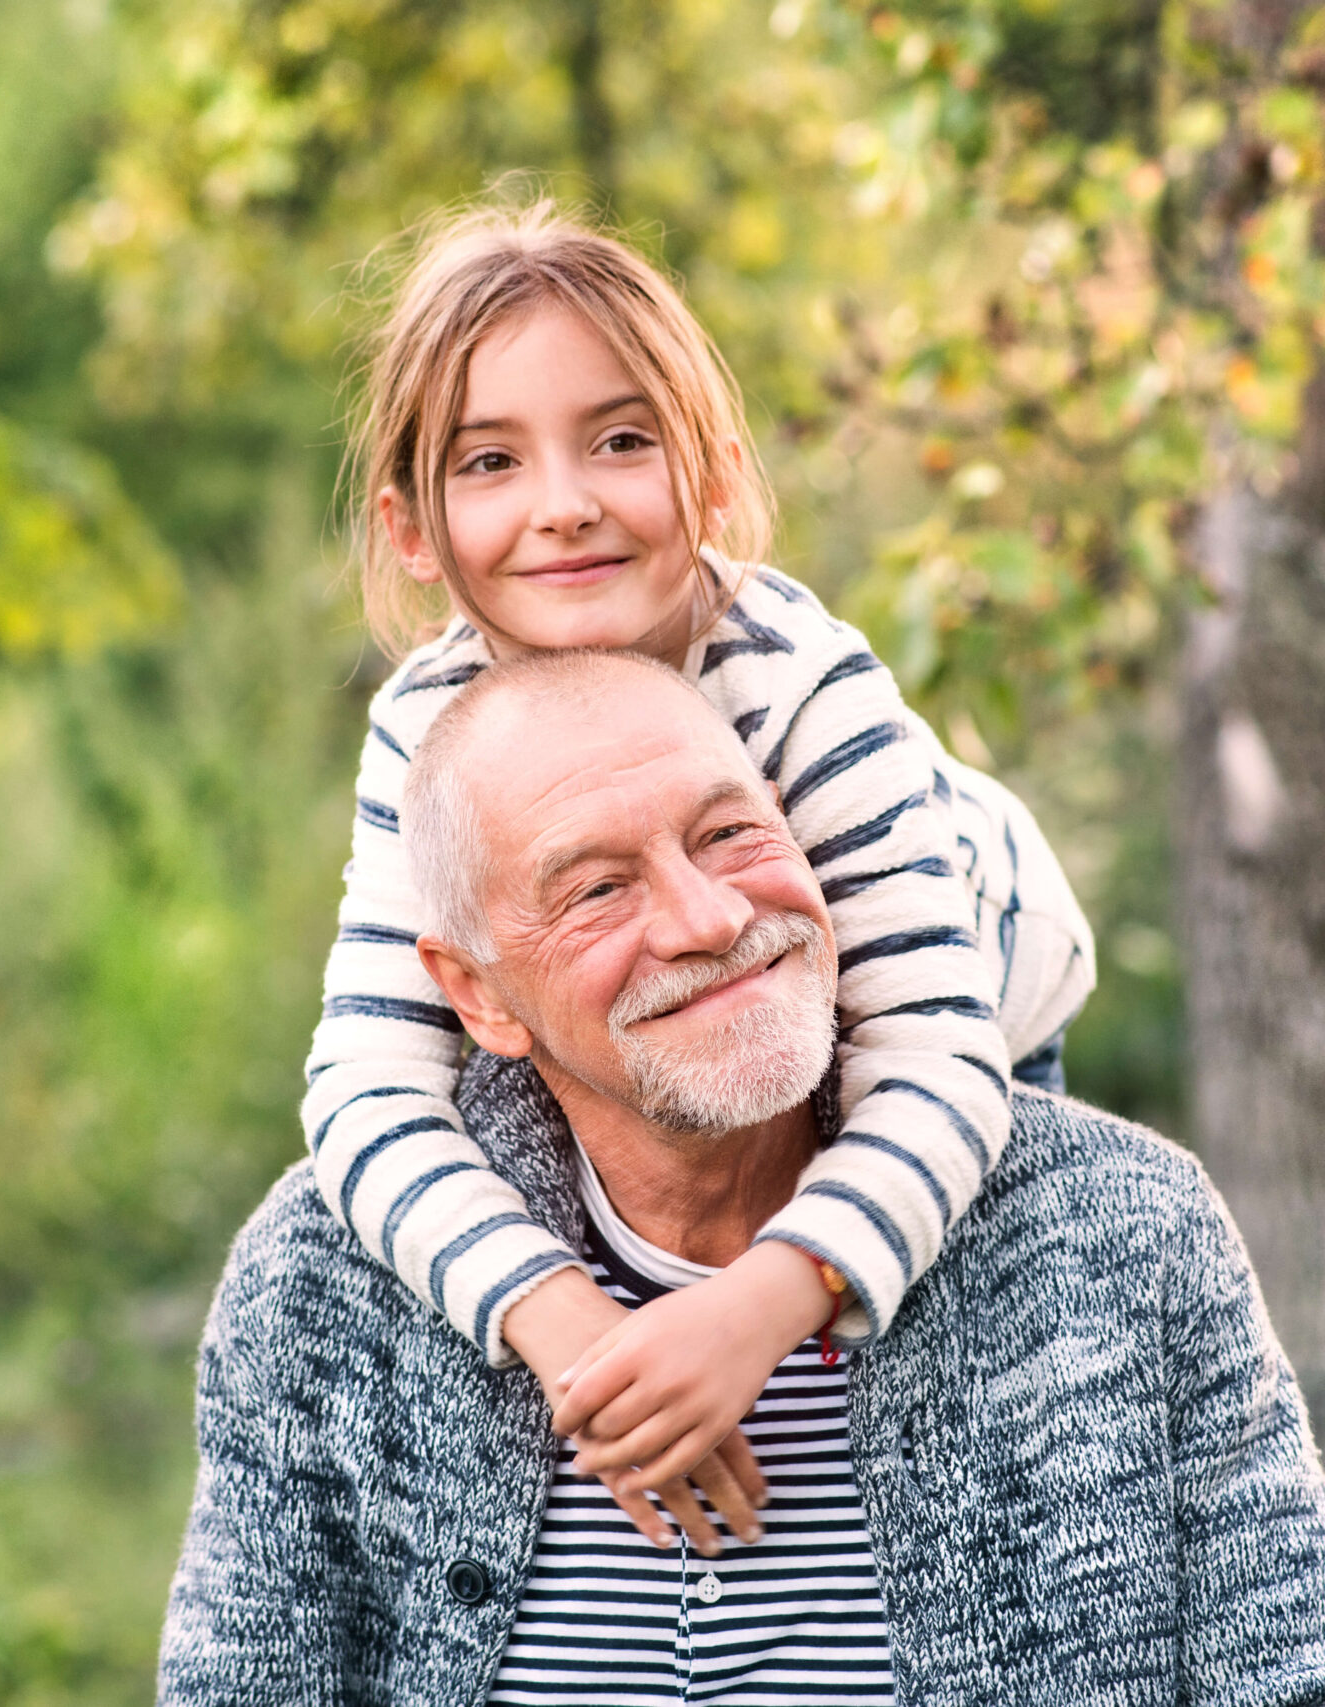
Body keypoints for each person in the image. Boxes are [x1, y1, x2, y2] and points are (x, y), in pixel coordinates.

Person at [160, 649, 1325, 1705]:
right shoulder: (321, 1284)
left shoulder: (1121, 1232)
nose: (707, 917)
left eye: (730, 833)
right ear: (478, 994)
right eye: (597, 889)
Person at [304, 199, 1095, 1539]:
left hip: (959, 1024)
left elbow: (935, 1054)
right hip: (669, 1078)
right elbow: (367, 1092)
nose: (564, 507)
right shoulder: (427, 732)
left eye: (621, 440)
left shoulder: (797, 681)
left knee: (955, 1399)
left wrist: (765, 1299)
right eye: (491, 461)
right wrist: (566, 1324)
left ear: (715, 473)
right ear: (413, 529)